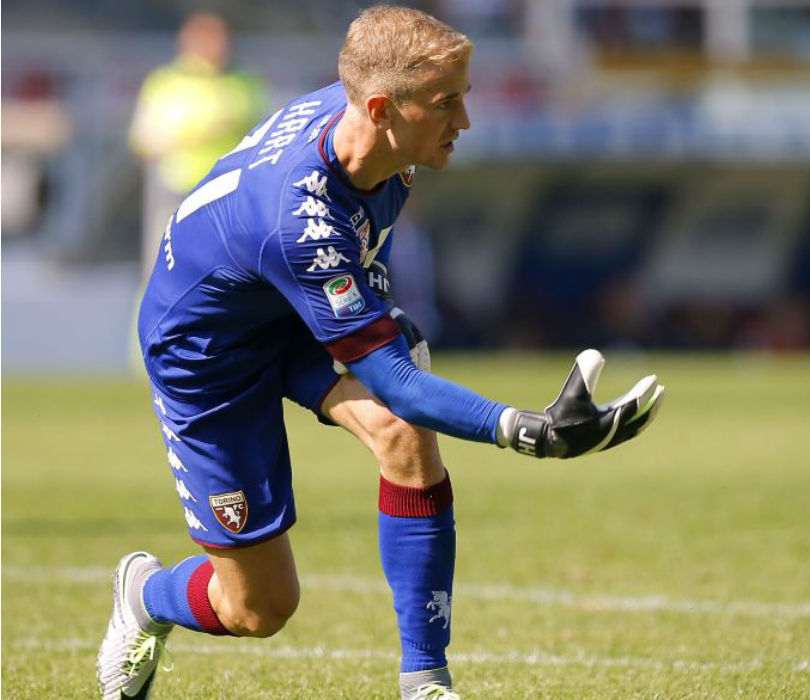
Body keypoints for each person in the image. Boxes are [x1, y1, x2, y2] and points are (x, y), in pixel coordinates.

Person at [97, 6, 665, 700]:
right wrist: (526, 430)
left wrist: (380, 301)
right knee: (260, 608)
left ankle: (424, 681)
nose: (465, 120)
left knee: (406, 438)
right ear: (380, 107)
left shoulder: (383, 142)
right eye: (446, 103)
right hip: (206, 352)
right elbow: (392, 378)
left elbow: (362, 252)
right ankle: (146, 596)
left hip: (286, 303)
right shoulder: (299, 220)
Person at [129, 12, 267, 278]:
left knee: (225, 271)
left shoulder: (243, 82)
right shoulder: (165, 83)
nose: (218, 48)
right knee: (167, 271)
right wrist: (199, 129)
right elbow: (144, 140)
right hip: (177, 191)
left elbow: (260, 133)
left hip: (228, 194)